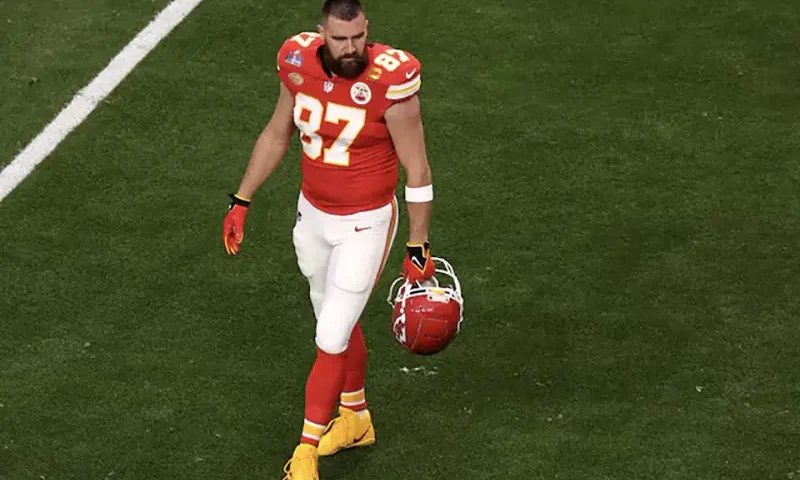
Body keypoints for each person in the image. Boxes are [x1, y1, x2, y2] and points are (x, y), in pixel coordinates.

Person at [221, 0, 437, 478]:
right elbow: (278, 133)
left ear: (367, 31)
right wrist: (242, 199)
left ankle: (305, 449)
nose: (350, 48)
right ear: (322, 34)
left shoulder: (391, 80)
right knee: (331, 319)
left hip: (367, 222)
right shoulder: (296, 62)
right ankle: (356, 418)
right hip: (313, 213)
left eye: (358, 37)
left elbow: (416, 167)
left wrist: (418, 244)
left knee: (330, 334)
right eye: (340, 39)